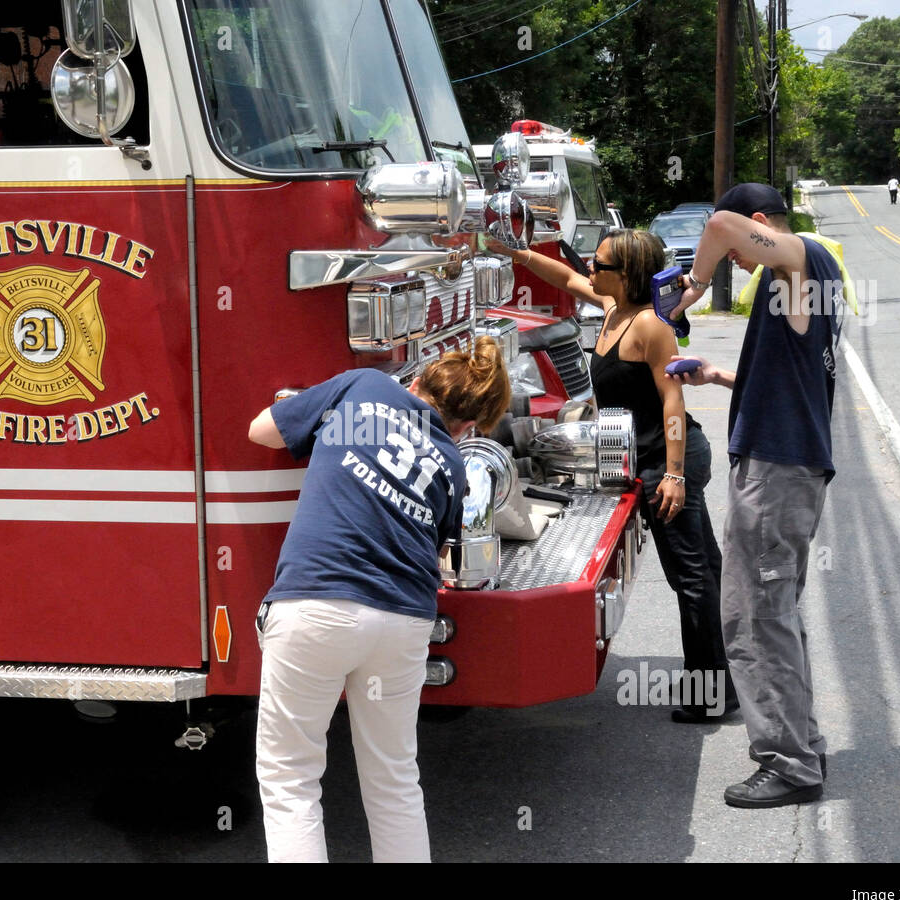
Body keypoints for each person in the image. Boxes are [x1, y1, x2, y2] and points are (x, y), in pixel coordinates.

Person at [247, 342, 510, 862]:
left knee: (292, 779)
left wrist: (308, 406)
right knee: (393, 781)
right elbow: (434, 555)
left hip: (315, 602)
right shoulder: (455, 468)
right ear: (466, 427)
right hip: (403, 619)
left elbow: (261, 430)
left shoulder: (363, 387)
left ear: (417, 382)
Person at [489, 231, 732, 721]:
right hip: (648, 460)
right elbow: (565, 276)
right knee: (704, 568)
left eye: (601, 265)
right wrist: (514, 253)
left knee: (691, 576)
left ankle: (710, 694)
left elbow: (673, 402)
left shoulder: (649, 326)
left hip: (669, 462)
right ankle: (725, 673)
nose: (591, 270)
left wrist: (676, 475)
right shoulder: (610, 305)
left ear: (629, 275)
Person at [666, 182, 844, 809]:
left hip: (778, 469)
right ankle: (801, 743)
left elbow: (717, 226)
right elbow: (791, 375)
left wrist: (691, 282)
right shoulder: (794, 281)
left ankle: (789, 763)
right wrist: (718, 374)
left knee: (753, 616)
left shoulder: (805, 259)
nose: (739, 262)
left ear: (761, 223)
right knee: (775, 614)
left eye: (747, 245)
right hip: (785, 465)